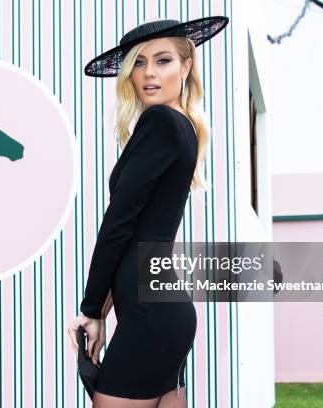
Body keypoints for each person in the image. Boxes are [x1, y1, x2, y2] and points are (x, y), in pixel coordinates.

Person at [67, 17, 229, 407]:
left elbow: (119, 225)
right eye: (138, 63)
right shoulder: (183, 127)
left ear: (186, 66)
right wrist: (103, 312)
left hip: (150, 314)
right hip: (162, 309)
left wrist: (91, 309)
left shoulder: (160, 122)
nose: (149, 73)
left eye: (163, 60)